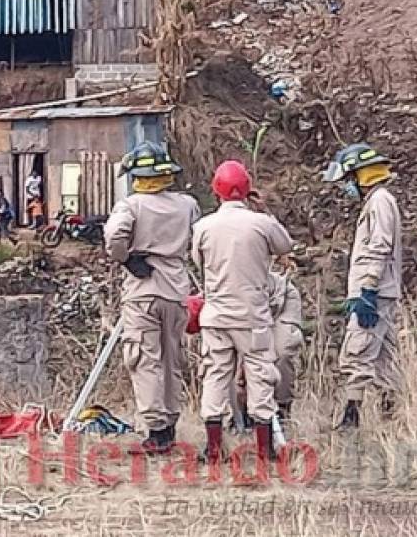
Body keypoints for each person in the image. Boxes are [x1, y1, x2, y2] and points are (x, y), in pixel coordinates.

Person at [191, 160, 294, 468]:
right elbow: (285, 245)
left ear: (216, 191)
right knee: (261, 377)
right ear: (248, 190)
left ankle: (213, 448)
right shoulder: (261, 224)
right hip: (252, 317)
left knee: (215, 376)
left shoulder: (203, 227)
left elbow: (198, 261)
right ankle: (264, 450)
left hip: (216, 316)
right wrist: (264, 211)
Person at [104, 141, 200, 454]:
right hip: (177, 290)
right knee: (172, 359)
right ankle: (170, 424)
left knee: (144, 358)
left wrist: (125, 258)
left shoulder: (130, 206)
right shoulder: (187, 204)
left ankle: (156, 431)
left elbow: (115, 236)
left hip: (143, 292)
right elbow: (198, 242)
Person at [323, 143, 402, 430]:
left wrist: (367, 289)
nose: (347, 187)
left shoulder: (380, 201)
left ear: (360, 175)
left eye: (348, 180)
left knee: (357, 354)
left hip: (375, 293)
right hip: (382, 291)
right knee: (383, 360)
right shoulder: (380, 201)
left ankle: (350, 419)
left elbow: (379, 247)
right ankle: (390, 419)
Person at [232, 269, 304, 426]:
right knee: (239, 359)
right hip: (239, 305)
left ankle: (282, 412)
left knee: (283, 352)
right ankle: (243, 416)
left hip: (280, 297)